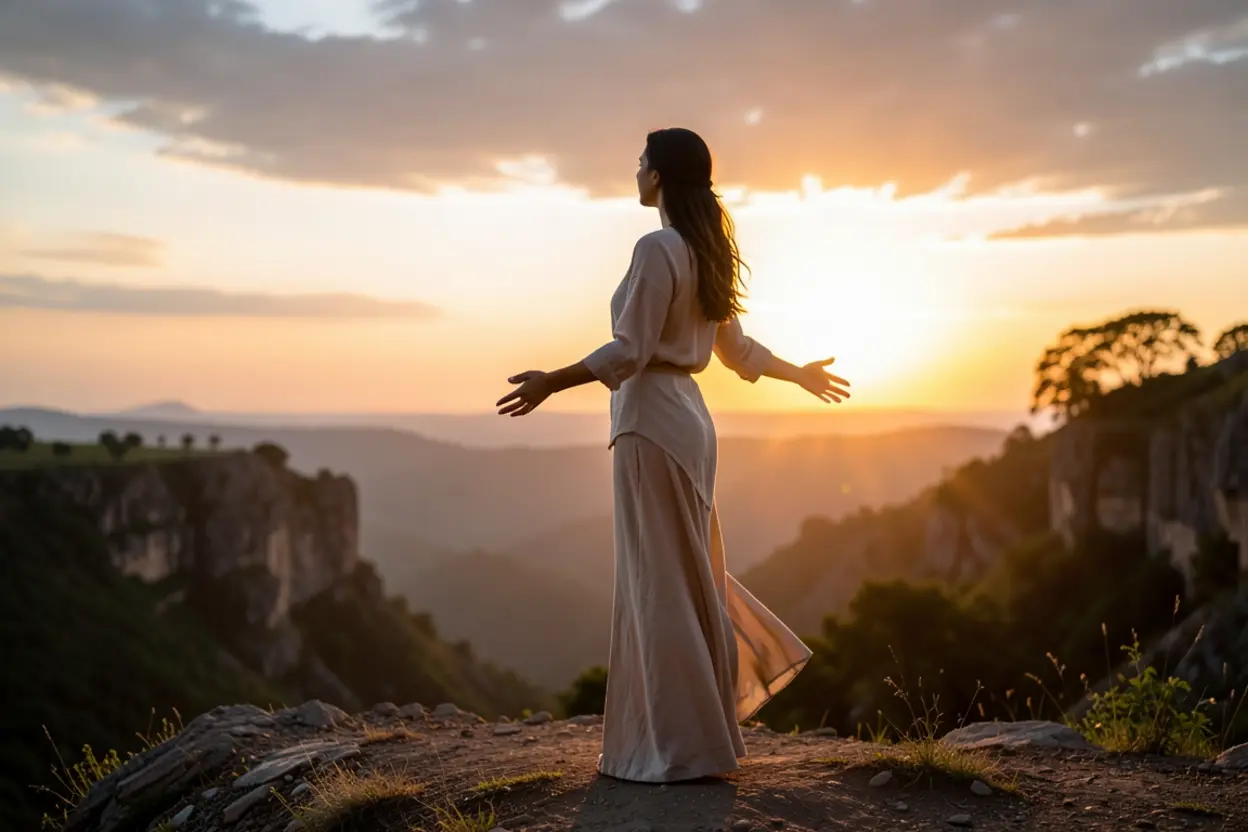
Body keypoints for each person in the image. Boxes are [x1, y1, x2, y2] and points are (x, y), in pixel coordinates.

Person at [496, 127, 851, 783]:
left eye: (640, 162)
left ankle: (680, 750)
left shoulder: (658, 247)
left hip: (650, 420)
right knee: (684, 575)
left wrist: (552, 380)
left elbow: (629, 352)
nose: (634, 171)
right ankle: (692, 739)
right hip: (691, 422)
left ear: (658, 176)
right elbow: (738, 354)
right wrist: (795, 372)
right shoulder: (702, 249)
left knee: (659, 582)